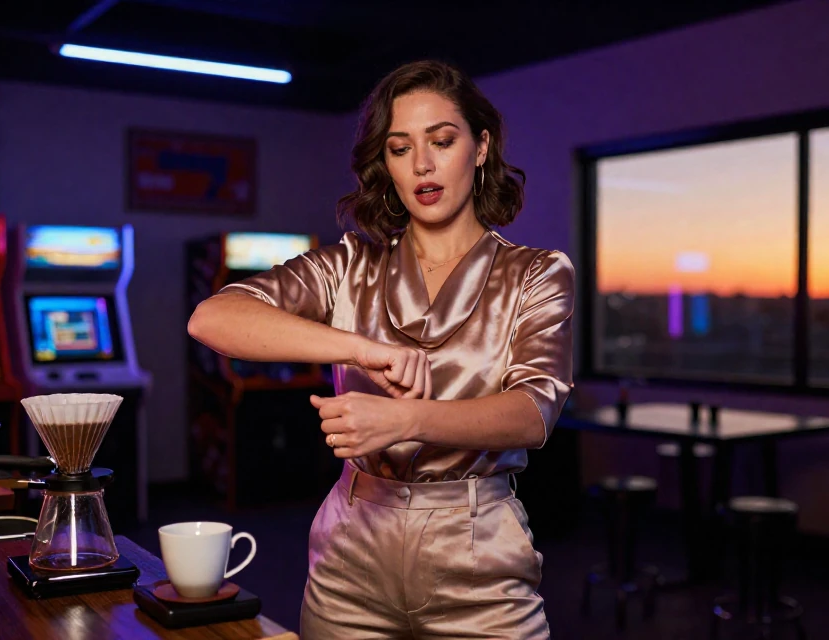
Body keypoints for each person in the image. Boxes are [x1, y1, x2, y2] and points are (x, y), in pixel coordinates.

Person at [188, 59, 574, 639]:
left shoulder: (536, 274)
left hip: (477, 551)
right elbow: (211, 318)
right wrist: (362, 348)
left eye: (442, 141)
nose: (422, 164)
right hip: (351, 554)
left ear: (481, 147)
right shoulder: (351, 265)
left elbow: (531, 414)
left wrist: (407, 418)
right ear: (385, 163)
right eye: (400, 148)